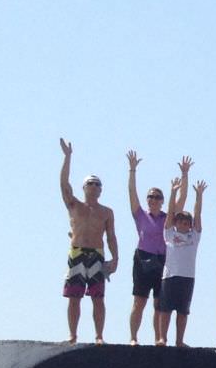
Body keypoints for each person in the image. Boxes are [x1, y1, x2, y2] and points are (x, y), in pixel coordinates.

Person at [57, 140, 120, 345]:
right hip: (77, 252)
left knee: (98, 297)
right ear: (84, 187)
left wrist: (115, 258)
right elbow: (64, 185)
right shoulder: (75, 205)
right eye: (90, 183)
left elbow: (111, 236)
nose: (94, 186)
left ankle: (99, 335)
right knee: (74, 297)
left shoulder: (106, 212)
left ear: (101, 189)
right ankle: (73, 335)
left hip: (96, 254)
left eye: (97, 184)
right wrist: (68, 157)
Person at [125, 151, 168, 345]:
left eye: (157, 197)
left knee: (159, 304)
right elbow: (132, 193)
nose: (153, 199)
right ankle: (133, 337)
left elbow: (181, 203)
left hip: (162, 260)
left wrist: (184, 178)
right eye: (150, 196)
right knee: (139, 300)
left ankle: (159, 338)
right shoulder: (141, 215)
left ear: (162, 200)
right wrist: (132, 170)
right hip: (143, 258)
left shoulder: (167, 218)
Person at [159, 166, 204, 348]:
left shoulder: (194, 237)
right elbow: (169, 214)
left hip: (187, 277)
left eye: (187, 222)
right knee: (166, 309)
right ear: (176, 223)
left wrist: (199, 196)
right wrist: (173, 192)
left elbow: (198, 215)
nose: (184, 224)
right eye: (181, 221)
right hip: (170, 276)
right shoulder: (169, 234)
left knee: (183, 311)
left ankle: (179, 341)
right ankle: (163, 338)